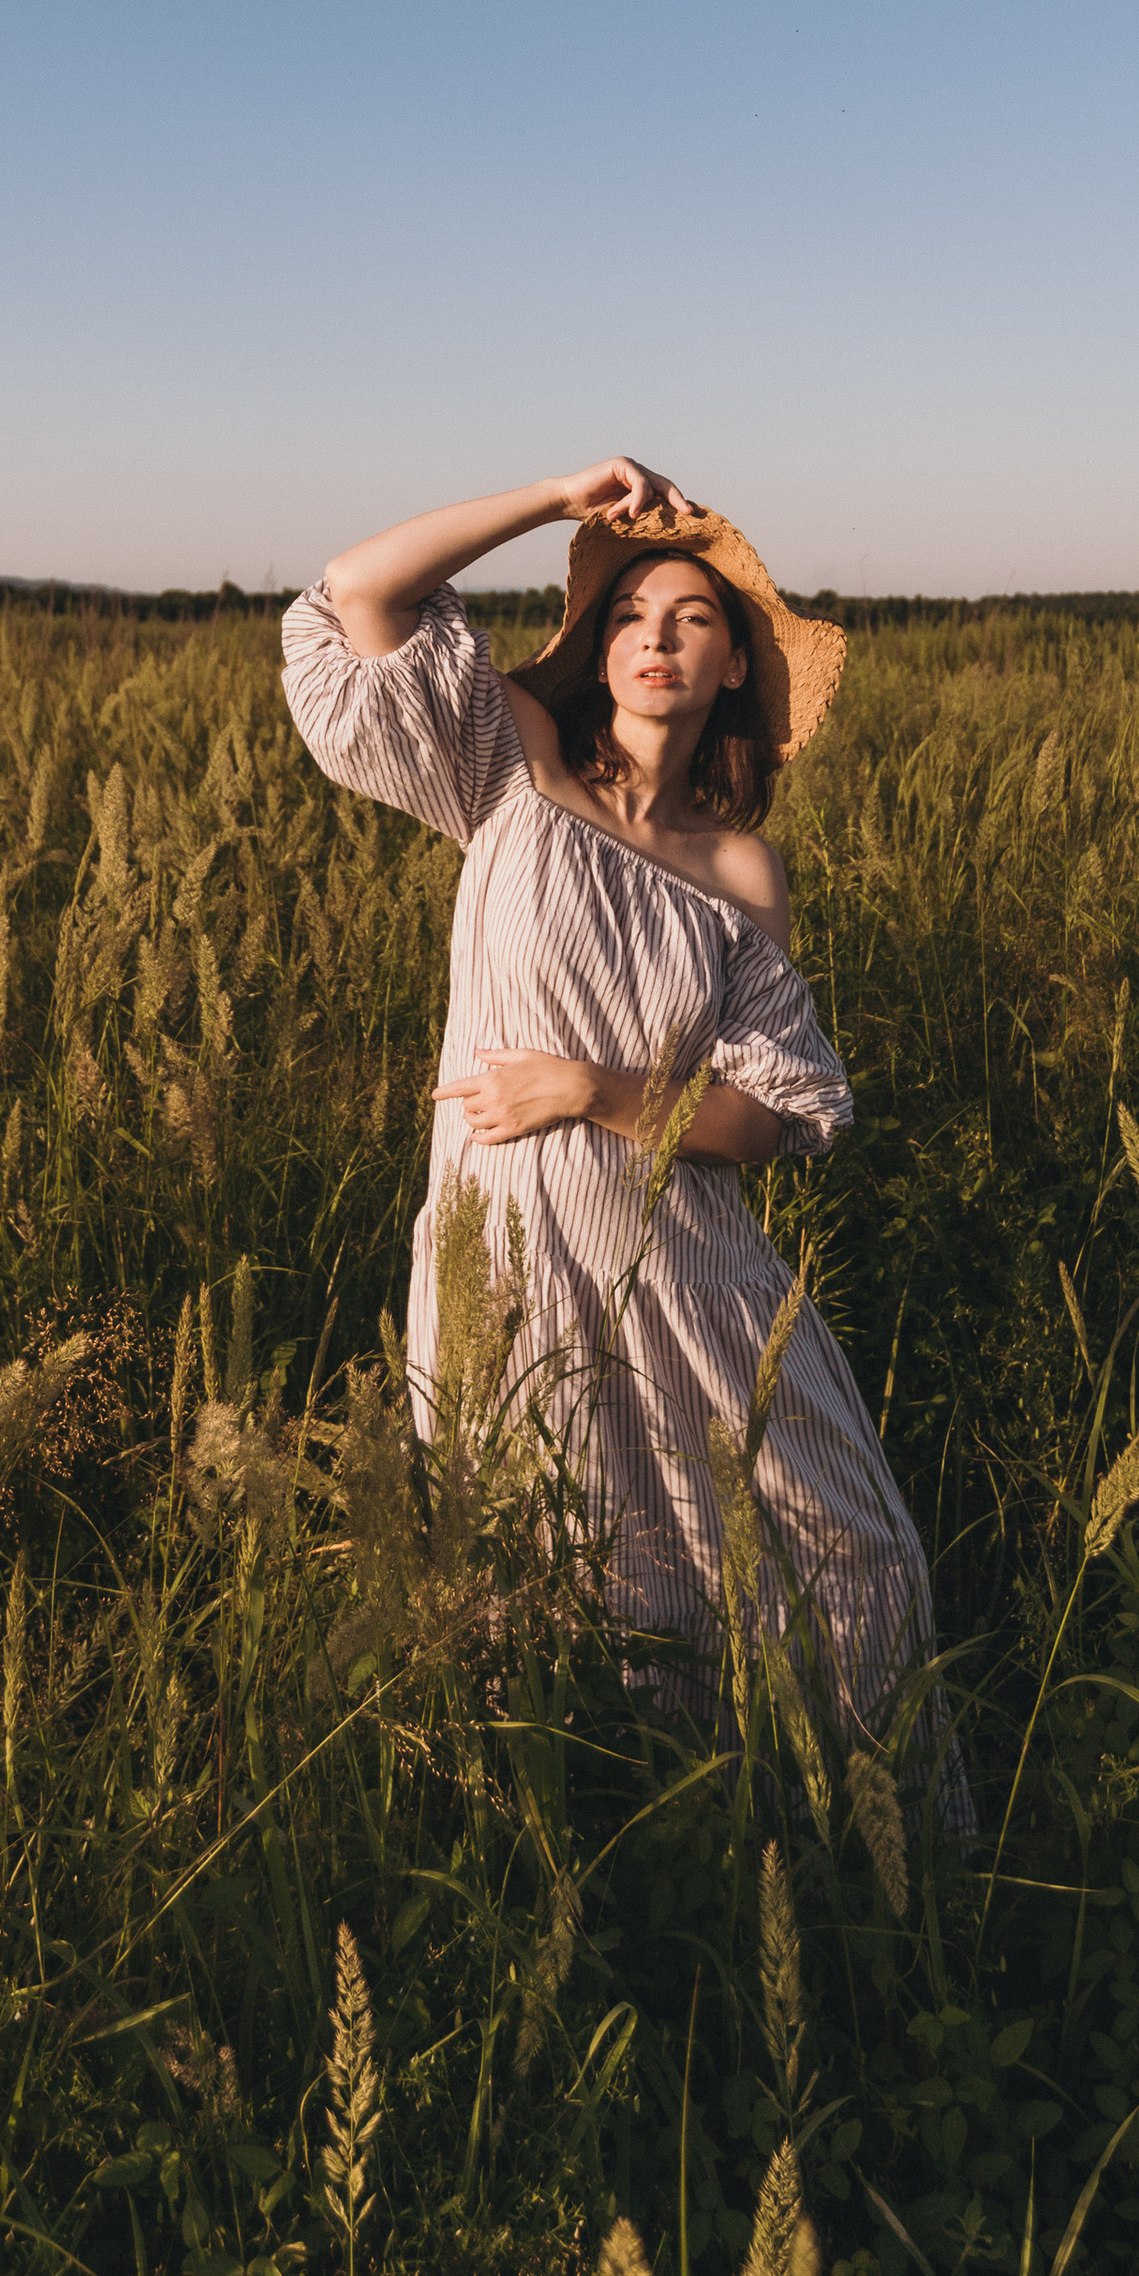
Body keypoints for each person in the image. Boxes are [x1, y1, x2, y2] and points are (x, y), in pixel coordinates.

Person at [281, 454, 966, 1827]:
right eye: (633, 616)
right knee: (559, 1570)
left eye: (692, 620)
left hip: (688, 1269)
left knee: (848, 1551)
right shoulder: (513, 766)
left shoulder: (739, 871)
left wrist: (593, 1088)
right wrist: (554, 499)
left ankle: (841, 1852)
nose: (658, 638)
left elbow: (773, 1115)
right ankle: (584, 1848)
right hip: (512, 1259)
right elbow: (359, 590)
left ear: (733, 668)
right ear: (599, 651)